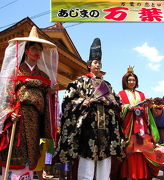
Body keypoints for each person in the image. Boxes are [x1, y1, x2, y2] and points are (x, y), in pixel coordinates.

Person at [55, 38, 124, 180]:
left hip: (105, 128)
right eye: (95, 62)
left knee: (104, 162)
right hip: (88, 127)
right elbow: (68, 100)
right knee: (87, 158)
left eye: (99, 62)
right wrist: (83, 101)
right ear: (88, 65)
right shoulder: (80, 82)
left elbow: (117, 102)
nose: (98, 64)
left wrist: (107, 101)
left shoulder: (107, 85)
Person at [0, 26, 58, 179]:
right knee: (16, 153)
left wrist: (51, 92)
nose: (37, 51)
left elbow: (46, 98)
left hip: (36, 118)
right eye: (33, 48)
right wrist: (8, 113)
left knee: (32, 153)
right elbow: (6, 95)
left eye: (39, 49)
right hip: (18, 118)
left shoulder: (44, 75)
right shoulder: (15, 71)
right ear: (26, 51)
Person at [118, 66, 163, 180]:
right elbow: (118, 108)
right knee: (130, 150)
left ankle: (141, 175)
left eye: (133, 80)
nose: (131, 82)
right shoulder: (121, 94)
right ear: (125, 81)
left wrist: (148, 106)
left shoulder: (142, 94)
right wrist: (128, 107)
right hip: (129, 126)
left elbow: (146, 110)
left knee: (142, 150)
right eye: (129, 80)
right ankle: (129, 175)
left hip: (141, 126)